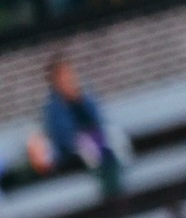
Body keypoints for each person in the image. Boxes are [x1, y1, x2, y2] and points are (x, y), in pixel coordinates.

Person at [34, 56, 128, 197]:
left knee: (112, 143)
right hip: (72, 153)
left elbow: (98, 119)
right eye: (63, 76)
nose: (68, 78)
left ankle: (114, 192)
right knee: (95, 149)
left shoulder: (85, 95)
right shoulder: (53, 108)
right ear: (55, 81)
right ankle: (114, 194)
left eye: (69, 74)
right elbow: (64, 137)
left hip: (97, 143)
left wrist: (81, 100)